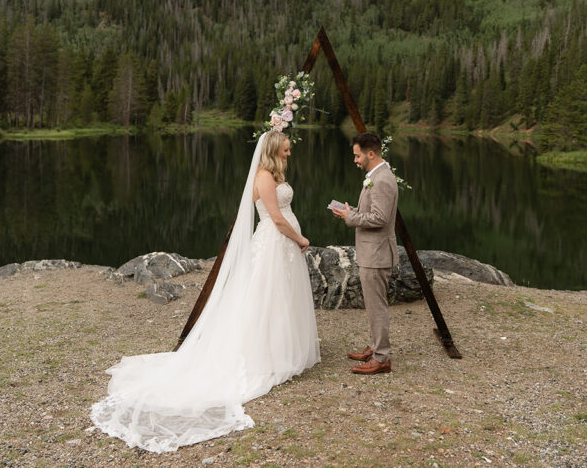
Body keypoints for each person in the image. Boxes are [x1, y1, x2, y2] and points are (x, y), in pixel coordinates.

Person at [91, 130, 320, 453]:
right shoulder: (264, 177)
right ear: (272, 148)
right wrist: (301, 239)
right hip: (274, 244)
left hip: (280, 247)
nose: (289, 151)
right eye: (286, 147)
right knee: (265, 299)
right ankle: (264, 354)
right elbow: (278, 220)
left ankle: (282, 348)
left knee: (280, 299)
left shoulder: (274, 173)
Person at [331, 131, 399, 375]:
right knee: (372, 304)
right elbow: (373, 210)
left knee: (376, 305)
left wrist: (351, 217)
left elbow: (380, 218)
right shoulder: (376, 176)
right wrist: (354, 210)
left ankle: (382, 358)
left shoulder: (382, 180)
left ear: (371, 154)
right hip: (373, 252)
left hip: (377, 254)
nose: (355, 160)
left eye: (358, 155)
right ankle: (374, 347)